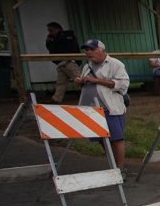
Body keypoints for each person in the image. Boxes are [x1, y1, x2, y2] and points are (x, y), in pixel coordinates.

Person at [74, 39, 131, 170]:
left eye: (92, 49)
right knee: (100, 138)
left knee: (116, 138)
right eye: (86, 50)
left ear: (102, 50)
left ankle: (121, 168)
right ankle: (113, 164)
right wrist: (81, 81)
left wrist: (96, 80)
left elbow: (123, 85)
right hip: (91, 108)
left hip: (109, 107)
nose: (88, 52)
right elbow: (86, 84)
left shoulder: (115, 64)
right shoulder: (87, 67)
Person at [45, 21, 80, 103]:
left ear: (57, 29)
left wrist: (54, 39)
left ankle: (88, 96)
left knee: (78, 79)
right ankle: (56, 99)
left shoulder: (66, 36)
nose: (50, 33)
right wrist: (48, 41)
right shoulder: (54, 38)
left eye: (51, 30)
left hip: (69, 61)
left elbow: (68, 47)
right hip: (60, 63)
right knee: (61, 82)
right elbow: (51, 49)